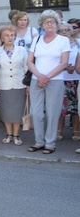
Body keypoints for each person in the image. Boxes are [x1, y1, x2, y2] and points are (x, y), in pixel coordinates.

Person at [27, 10, 70, 154]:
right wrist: (39, 76)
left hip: (55, 80)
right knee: (35, 113)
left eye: (52, 21)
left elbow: (64, 63)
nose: (49, 24)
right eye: (46, 22)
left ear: (57, 24)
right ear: (42, 25)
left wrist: (47, 77)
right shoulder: (37, 39)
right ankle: (39, 141)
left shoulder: (63, 40)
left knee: (52, 112)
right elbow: (30, 61)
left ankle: (50, 143)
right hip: (36, 80)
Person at [0, 25, 28, 146]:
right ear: (2, 38)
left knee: (17, 111)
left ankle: (16, 134)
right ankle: (8, 134)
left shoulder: (22, 50)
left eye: (12, 35)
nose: (10, 38)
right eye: (6, 35)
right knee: (6, 111)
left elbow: (26, 67)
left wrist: (28, 85)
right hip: (3, 85)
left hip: (19, 84)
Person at [58, 23, 80, 141]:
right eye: (61, 31)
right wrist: (64, 67)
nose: (64, 32)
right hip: (61, 79)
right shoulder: (56, 45)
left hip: (76, 79)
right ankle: (58, 131)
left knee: (75, 107)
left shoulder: (78, 43)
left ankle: (76, 131)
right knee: (60, 108)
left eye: (66, 30)